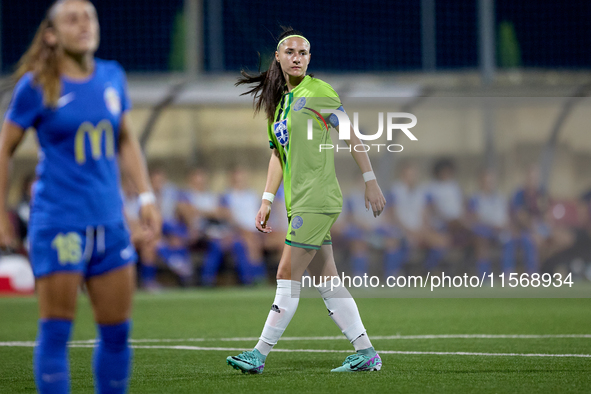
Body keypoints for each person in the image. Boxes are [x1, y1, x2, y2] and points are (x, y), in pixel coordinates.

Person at [0, 1, 161, 393]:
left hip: (110, 223)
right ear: (52, 34)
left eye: (88, 16)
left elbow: (124, 139)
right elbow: (4, 147)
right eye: (72, 18)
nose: (84, 23)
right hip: (60, 222)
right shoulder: (37, 85)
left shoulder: (112, 76)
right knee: (56, 332)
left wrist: (145, 198)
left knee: (117, 333)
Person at [227, 27, 386, 373]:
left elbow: (350, 134)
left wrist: (370, 181)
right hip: (298, 202)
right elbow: (276, 156)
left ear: (309, 59)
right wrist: (267, 199)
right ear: (279, 59)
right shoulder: (280, 105)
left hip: (318, 198)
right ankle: (366, 352)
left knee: (286, 272)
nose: (297, 57)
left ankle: (258, 354)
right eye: (290, 52)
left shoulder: (320, 92)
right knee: (328, 280)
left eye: (303, 53)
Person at [467, 170, 511, 275]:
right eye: (486, 181)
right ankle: (484, 276)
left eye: (491, 182)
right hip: (483, 231)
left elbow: (506, 217)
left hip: (500, 231)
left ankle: (508, 274)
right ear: (480, 182)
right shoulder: (475, 199)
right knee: (481, 241)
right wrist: (491, 226)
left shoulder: (500, 198)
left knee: (511, 240)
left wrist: (504, 226)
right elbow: (474, 219)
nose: (489, 184)